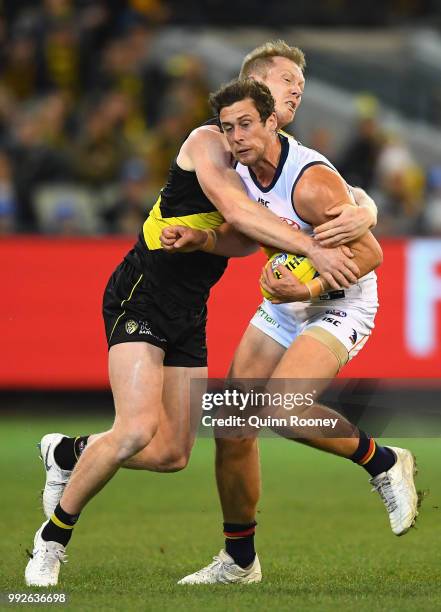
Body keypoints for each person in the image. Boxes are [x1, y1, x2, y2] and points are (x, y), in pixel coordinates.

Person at [25, 41, 376, 587]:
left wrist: (364, 209)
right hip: (142, 291)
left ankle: (68, 452)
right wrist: (313, 251)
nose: (297, 91)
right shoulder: (210, 141)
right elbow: (237, 212)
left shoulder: (275, 161)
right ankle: (51, 541)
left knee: (170, 454)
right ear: (257, 87)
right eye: (287, 81)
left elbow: (241, 236)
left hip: (189, 308)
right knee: (138, 429)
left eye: (300, 86)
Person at [159, 79, 419, 585]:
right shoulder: (241, 170)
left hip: (340, 301)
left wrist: (310, 288)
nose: (236, 136)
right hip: (286, 303)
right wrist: (201, 238)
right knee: (232, 425)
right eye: (229, 127)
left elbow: (370, 255)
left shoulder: (310, 182)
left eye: (246, 125)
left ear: (272, 122)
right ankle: (239, 562)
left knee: (282, 408)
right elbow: (244, 232)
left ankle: (383, 460)